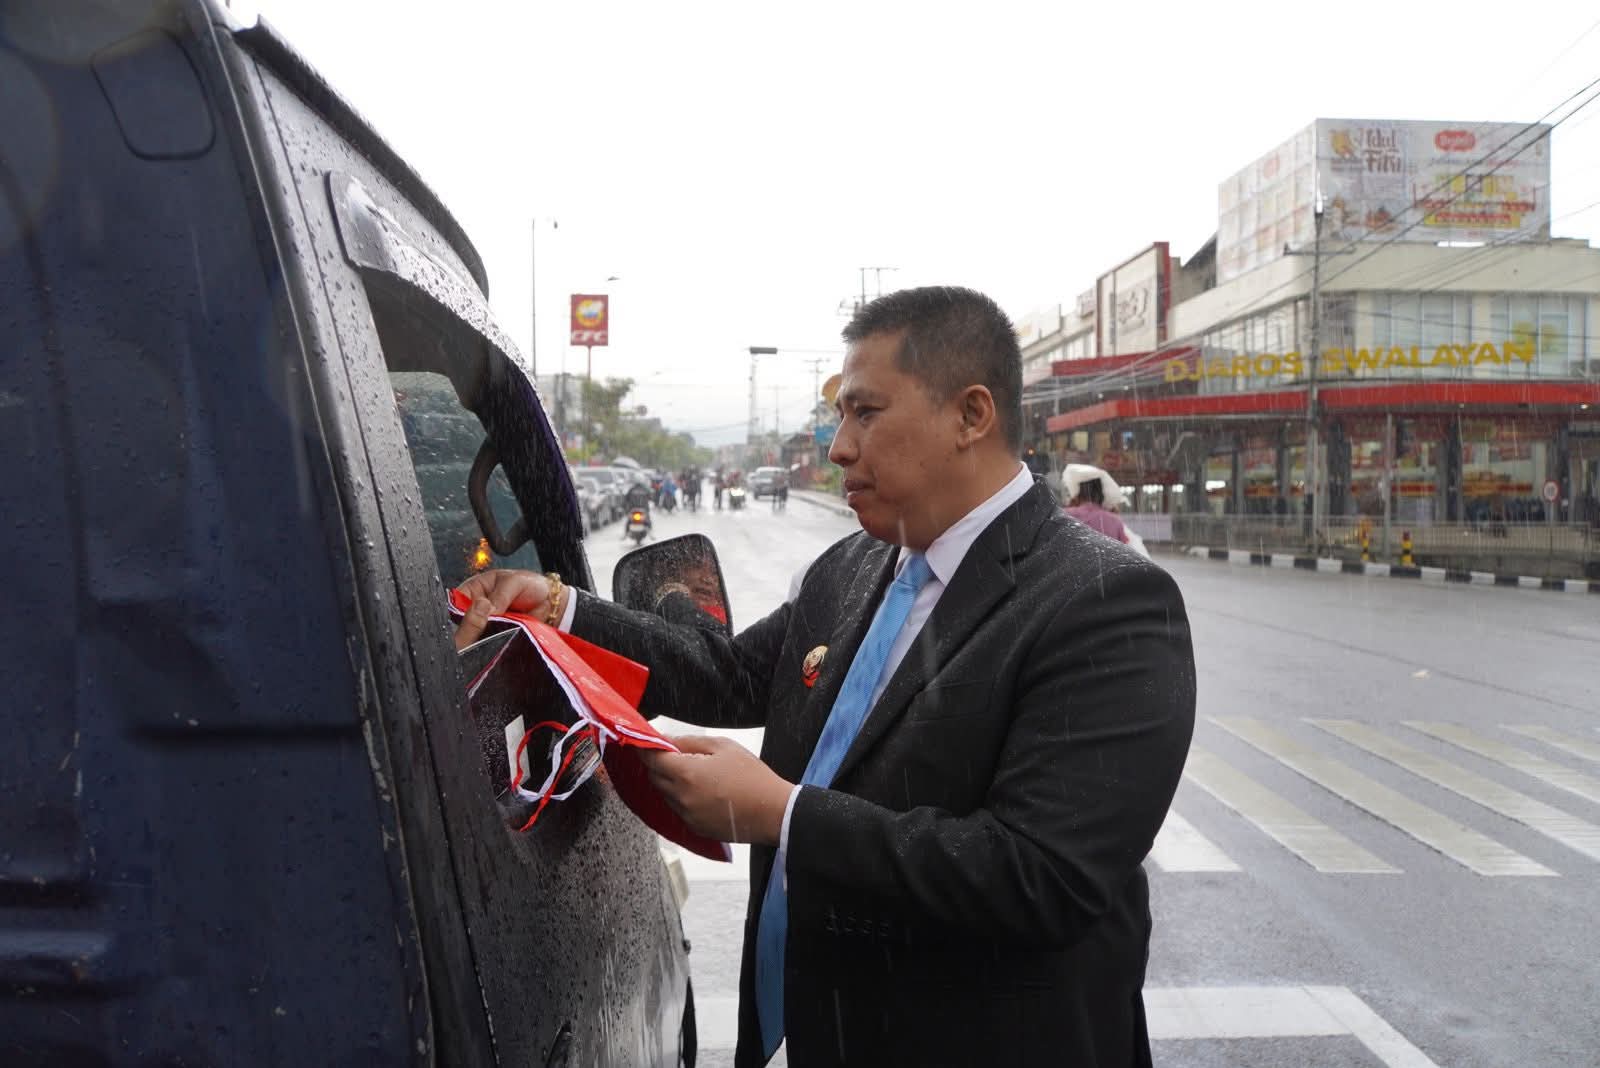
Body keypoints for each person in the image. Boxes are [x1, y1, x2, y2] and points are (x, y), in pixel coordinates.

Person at [454, 286, 1196, 1067]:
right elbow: (731, 673)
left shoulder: (1105, 602)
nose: (839, 447)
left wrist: (786, 815)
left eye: (866, 413)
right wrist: (565, 608)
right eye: (840, 415)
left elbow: (1041, 876)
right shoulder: (857, 564)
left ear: (970, 416)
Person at [1062, 463, 1130, 544]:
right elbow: (1125, 550)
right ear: (1102, 495)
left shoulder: (1065, 515)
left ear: (1078, 494)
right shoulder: (1115, 521)